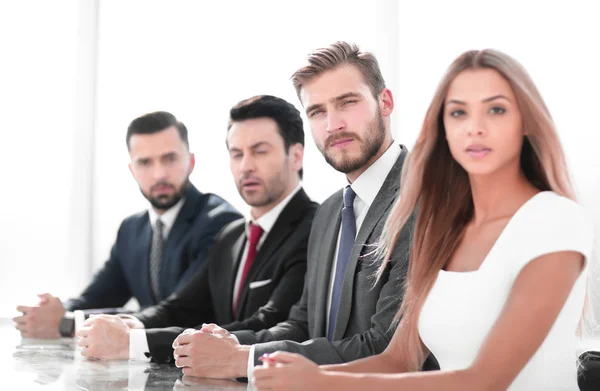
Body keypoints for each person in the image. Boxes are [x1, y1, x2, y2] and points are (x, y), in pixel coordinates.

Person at [252, 49, 595, 391]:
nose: (474, 128)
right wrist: (296, 375)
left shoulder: (554, 220)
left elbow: (484, 381)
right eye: (458, 113)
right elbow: (398, 359)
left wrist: (320, 383)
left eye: (496, 109)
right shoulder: (445, 227)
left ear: (527, 122)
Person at [170, 41, 437, 379]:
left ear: (385, 102)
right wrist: (230, 346)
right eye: (317, 111)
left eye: (347, 103)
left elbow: (387, 349)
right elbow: (302, 325)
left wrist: (243, 360)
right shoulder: (329, 214)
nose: (333, 124)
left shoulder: (424, 197)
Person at [75, 95, 319, 363]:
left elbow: (271, 323)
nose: (245, 166)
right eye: (237, 154)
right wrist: (129, 326)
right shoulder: (232, 236)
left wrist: (137, 343)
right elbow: (183, 307)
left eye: (260, 151)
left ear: (296, 156)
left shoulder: (317, 228)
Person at [14, 111, 241, 339]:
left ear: (190, 162)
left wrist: (68, 323)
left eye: (169, 159)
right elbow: (97, 297)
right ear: (132, 170)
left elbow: (180, 311)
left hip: (201, 364)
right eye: (145, 162)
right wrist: (52, 312)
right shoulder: (132, 229)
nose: (159, 173)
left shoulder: (221, 223)